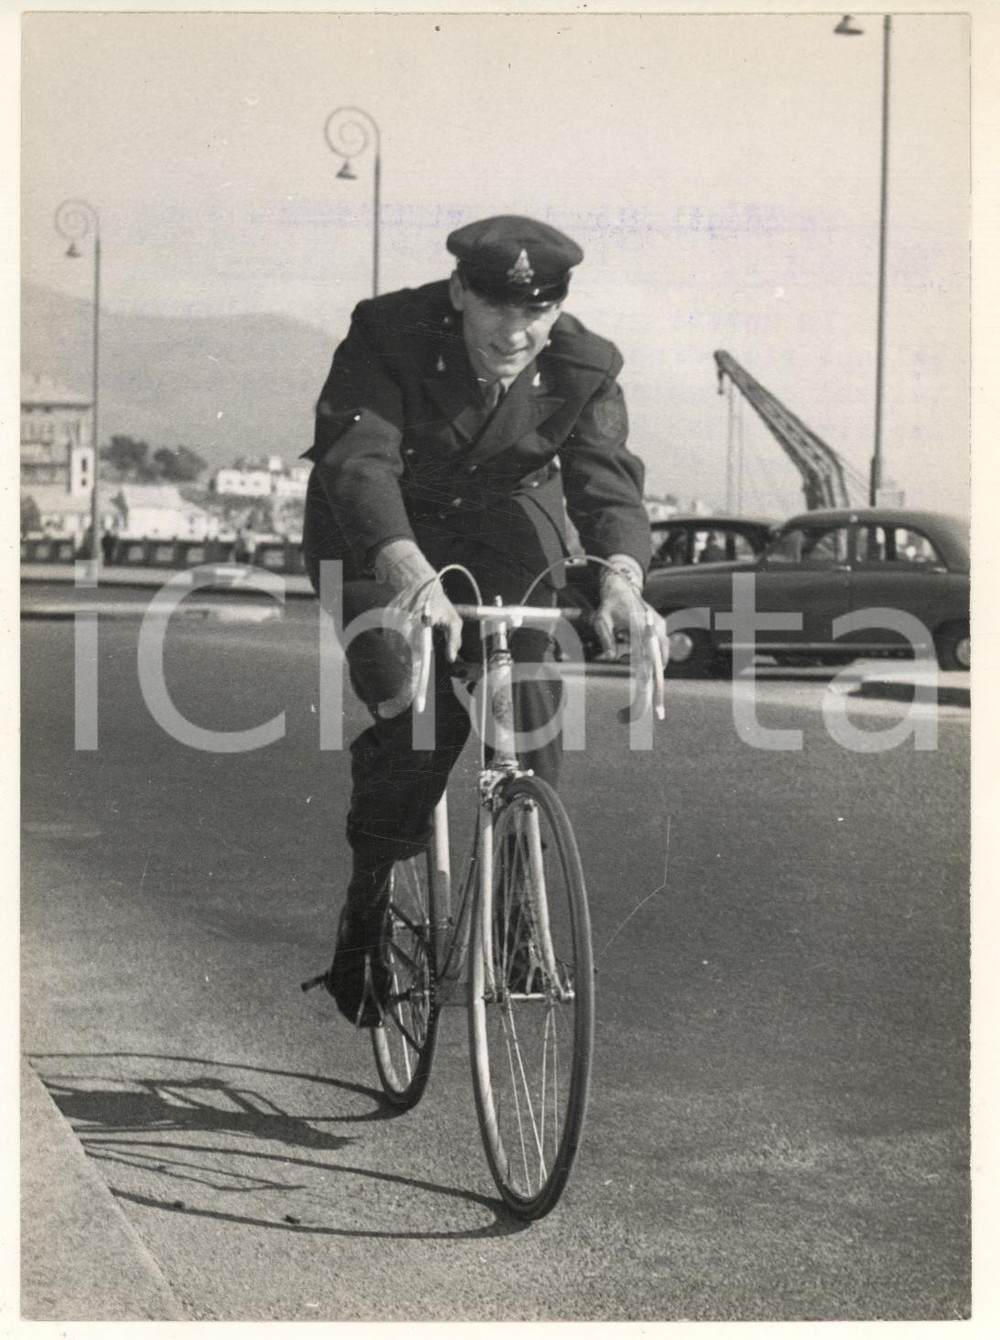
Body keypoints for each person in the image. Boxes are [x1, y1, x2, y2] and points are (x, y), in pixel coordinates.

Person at [301, 214, 667, 1025]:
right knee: (419, 714)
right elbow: (358, 461)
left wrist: (623, 581)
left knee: (527, 698)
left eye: (536, 312)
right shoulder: (388, 331)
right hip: (376, 529)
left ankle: (519, 921)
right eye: (499, 308)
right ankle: (368, 898)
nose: (517, 331)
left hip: (502, 525)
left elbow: (608, 487)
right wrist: (403, 564)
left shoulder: (585, 363)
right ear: (460, 291)